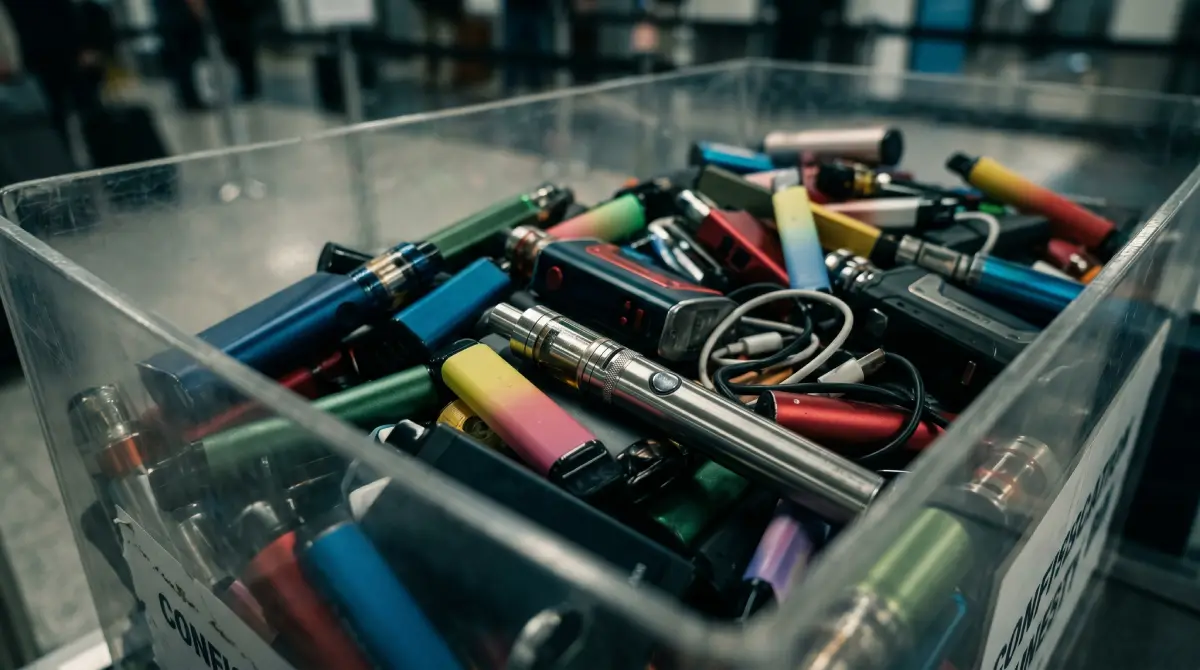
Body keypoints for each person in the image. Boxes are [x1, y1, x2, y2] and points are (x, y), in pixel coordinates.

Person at [1, 0, 101, 138]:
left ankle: (95, 140)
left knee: (83, 106)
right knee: (54, 112)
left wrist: (83, 46)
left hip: (59, 52)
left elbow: (68, 13)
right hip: (39, 57)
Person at [503, 0, 555, 93]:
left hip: (537, 8)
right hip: (516, 7)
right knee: (512, 50)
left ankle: (536, 87)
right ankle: (510, 88)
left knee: (538, 50)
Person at [412, 0, 465, 88]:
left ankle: (437, 77)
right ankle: (440, 77)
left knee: (435, 44)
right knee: (440, 44)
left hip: (437, 9)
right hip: (442, 10)